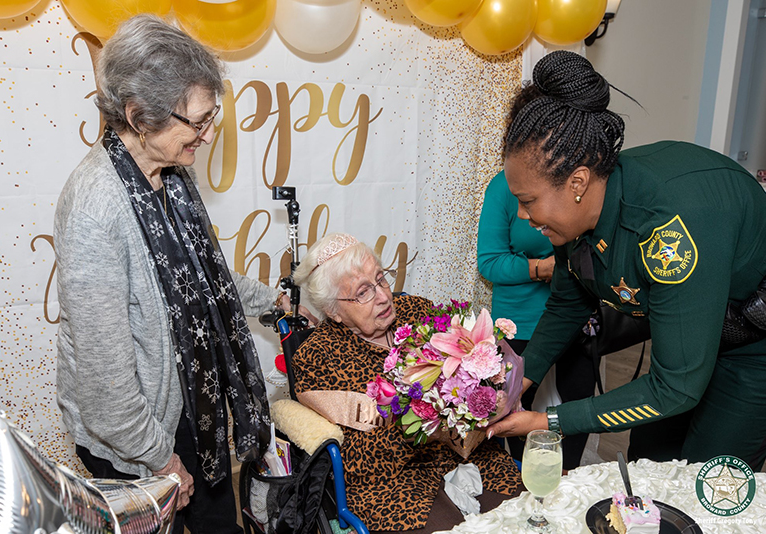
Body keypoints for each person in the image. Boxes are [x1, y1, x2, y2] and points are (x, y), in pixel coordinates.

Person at [54, 15, 313, 533]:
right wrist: (161, 459)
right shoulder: (94, 205)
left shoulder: (171, 172)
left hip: (191, 403)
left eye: (212, 115)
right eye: (197, 121)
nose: (210, 133)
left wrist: (274, 301)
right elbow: (106, 384)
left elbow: (206, 278)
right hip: (132, 437)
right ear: (138, 115)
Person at [486, 50, 766, 470]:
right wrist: (516, 381)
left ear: (577, 182)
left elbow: (675, 388)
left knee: (708, 480)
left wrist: (548, 421)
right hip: (690, 338)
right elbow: (568, 302)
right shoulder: (573, 218)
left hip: (752, 350)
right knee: (648, 464)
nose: (524, 216)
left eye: (528, 201)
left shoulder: (666, 229)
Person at [291, 233, 522, 534]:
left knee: (526, 515)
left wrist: (488, 395)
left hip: (468, 453)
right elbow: (355, 459)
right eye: (363, 293)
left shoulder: (418, 312)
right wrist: (422, 430)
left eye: (381, 279)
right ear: (333, 311)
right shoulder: (317, 357)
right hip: (392, 484)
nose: (384, 296)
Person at [477, 170, 594, 470]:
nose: (524, 213)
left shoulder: (582, 186)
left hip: (576, 324)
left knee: (571, 433)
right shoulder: (504, 186)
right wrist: (546, 268)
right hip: (519, 325)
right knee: (521, 441)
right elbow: (490, 262)